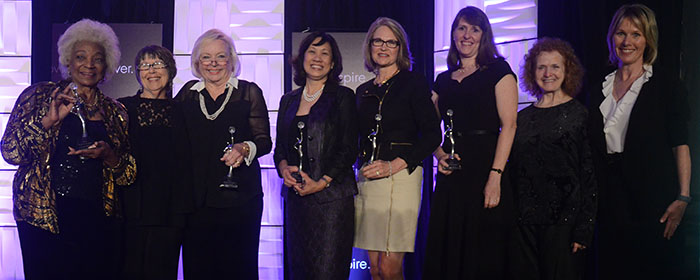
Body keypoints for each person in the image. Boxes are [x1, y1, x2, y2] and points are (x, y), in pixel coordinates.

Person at [1, 19, 135, 279]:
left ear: (106, 64)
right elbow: (11, 153)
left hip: (97, 219)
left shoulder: (115, 112)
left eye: (97, 58)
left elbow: (128, 174)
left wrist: (109, 156)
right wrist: (48, 121)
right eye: (80, 56)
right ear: (68, 61)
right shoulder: (38, 96)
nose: (89, 64)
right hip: (43, 217)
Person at [589, 4, 691, 279]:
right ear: (612, 38)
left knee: (650, 267)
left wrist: (683, 196)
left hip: (652, 196)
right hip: (608, 196)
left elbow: (680, 144)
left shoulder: (666, 84)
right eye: (621, 34)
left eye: (636, 34)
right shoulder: (598, 84)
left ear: (648, 39)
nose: (627, 41)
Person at [423, 6, 518, 279]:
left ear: (483, 35)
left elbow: (509, 125)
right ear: (453, 34)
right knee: (449, 247)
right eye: (461, 28)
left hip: (486, 167)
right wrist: (440, 155)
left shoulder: (499, 70)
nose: (467, 35)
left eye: (474, 29)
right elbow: (427, 127)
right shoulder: (443, 79)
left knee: (483, 250)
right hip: (452, 173)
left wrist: (496, 176)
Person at [174, 29, 271, 279]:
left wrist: (244, 148)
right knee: (199, 268)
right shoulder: (188, 94)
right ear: (197, 62)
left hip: (241, 201)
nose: (213, 63)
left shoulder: (248, 92)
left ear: (231, 60)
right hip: (197, 202)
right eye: (206, 57)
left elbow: (264, 141)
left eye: (220, 56)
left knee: (238, 268)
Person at [354, 17, 442, 280]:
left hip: (401, 177)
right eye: (378, 41)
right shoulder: (362, 91)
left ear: (400, 48)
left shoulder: (413, 83)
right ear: (369, 46)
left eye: (391, 42)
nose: (383, 47)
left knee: (390, 268)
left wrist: (395, 164)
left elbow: (432, 135)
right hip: (368, 179)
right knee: (376, 269)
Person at [508, 38, 596, 280]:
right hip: (523, 224)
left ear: (567, 70)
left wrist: (584, 229)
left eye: (555, 66)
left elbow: (589, 175)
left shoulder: (580, 115)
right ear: (532, 72)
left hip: (563, 225)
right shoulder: (522, 118)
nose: (548, 73)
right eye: (541, 67)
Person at [274, 31, 358, 280]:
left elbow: (348, 148)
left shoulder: (343, 97)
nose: (317, 58)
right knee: (299, 271)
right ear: (302, 59)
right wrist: (283, 169)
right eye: (312, 51)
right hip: (297, 201)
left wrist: (321, 182)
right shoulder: (288, 100)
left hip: (332, 202)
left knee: (328, 272)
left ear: (333, 63)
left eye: (325, 53)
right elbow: (280, 148)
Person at [118, 45, 188, 279]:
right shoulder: (123, 107)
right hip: (131, 206)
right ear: (138, 73)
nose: (152, 71)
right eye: (145, 66)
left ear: (171, 70)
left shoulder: (184, 110)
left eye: (158, 64)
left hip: (170, 209)